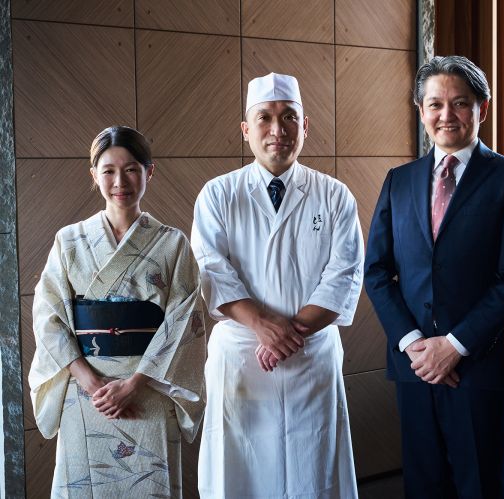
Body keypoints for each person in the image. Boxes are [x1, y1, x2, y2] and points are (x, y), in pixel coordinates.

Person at [364, 55, 504, 499]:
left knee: (478, 486)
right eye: (435, 104)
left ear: (483, 107)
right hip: (414, 367)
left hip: (477, 367)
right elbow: (377, 271)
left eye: (460, 103)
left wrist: (455, 345)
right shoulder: (398, 181)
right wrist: (415, 345)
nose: (447, 115)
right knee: (423, 487)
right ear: (420, 111)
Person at [192, 72, 364, 498]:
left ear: (304, 126)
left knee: (313, 469)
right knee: (240, 470)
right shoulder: (218, 195)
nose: (277, 129)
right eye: (264, 118)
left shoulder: (334, 196)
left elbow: (344, 272)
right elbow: (210, 268)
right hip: (242, 359)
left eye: (289, 117)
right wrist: (262, 327)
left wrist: (287, 334)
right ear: (246, 130)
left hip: (311, 356)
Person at [29, 126, 207, 497]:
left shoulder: (173, 243)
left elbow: (183, 323)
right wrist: (88, 379)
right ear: (94, 175)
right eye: (108, 170)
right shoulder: (69, 241)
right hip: (86, 394)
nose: (119, 181)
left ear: (149, 172)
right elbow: (48, 317)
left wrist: (134, 384)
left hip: (149, 392)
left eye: (131, 169)